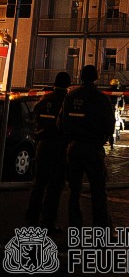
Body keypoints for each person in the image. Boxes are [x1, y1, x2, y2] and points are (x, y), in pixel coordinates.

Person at [58, 64, 115, 228]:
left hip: (74, 148)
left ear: (80, 76)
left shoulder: (70, 96)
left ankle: (75, 227)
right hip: (93, 149)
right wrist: (101, 140)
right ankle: (101, 228)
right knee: (98, 191)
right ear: (96, 77)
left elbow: (61, 123)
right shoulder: (101, 97)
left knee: (74, 192)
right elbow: (109, 125)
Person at [26, 71, 71, 235]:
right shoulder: (66, 101)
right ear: (68, 85)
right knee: (55, 187)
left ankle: (31, 220)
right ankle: (48, 222)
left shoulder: (44, 99)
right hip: (59, 147)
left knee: (38, 185)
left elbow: (34, 118)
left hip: (42, 146)